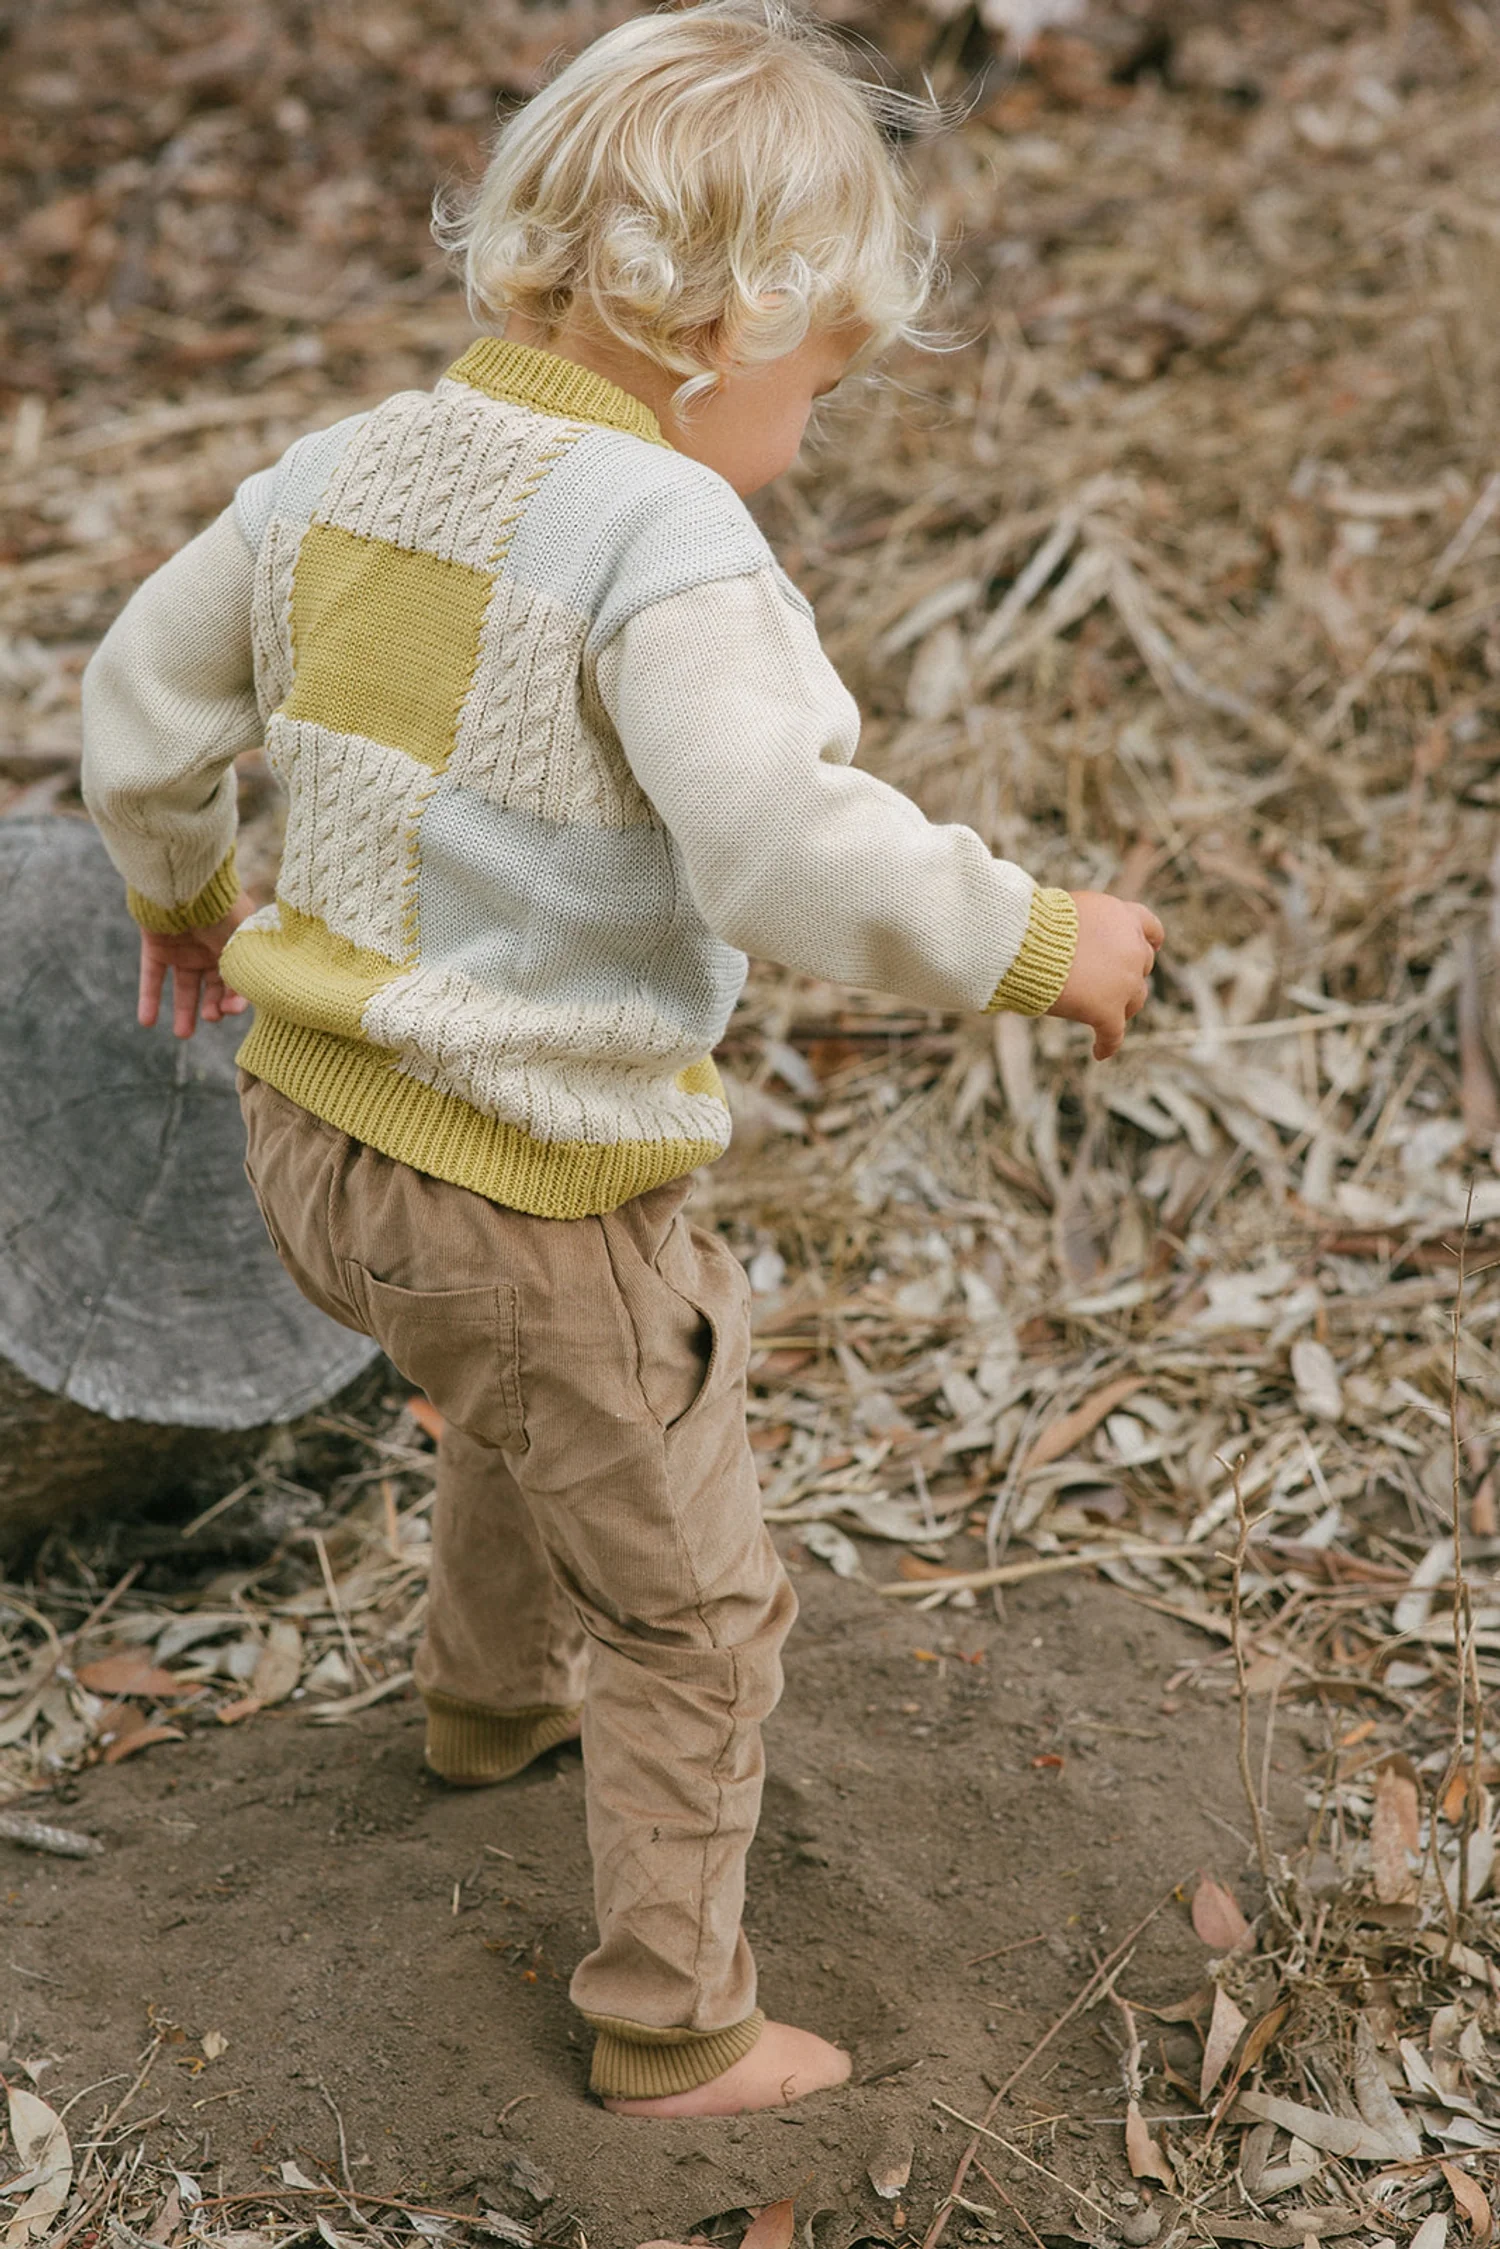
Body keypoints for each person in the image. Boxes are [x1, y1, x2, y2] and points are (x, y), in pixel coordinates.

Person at [80, 0, 1163, 2119]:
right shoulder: (666, 539)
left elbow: (141, 691)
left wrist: (181, 894)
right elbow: (775, 841)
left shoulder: (344, 467)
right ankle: (674, 2024)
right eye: (816, 381)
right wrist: (1031, 937)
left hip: (313, 1144)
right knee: (696, 1606)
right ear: (716, 332)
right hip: (527, 1183)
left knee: (506, 1403)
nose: (806, 432)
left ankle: (488, 1705)